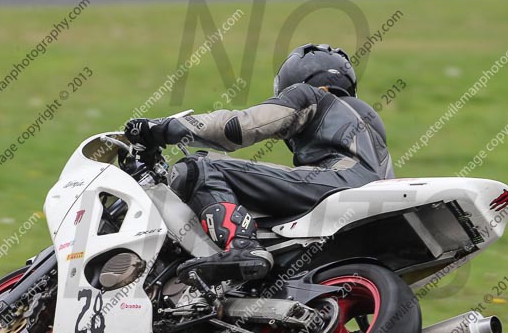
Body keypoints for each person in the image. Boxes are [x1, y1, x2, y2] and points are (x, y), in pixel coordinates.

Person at [125, 43, 394, 285]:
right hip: (374, 209)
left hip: (338, 183)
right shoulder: (369, 119)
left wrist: (163, 128)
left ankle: (241, 246)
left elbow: (236, 127)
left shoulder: (310, 96)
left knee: (200, 168)